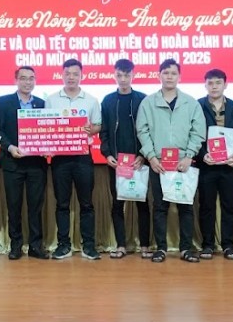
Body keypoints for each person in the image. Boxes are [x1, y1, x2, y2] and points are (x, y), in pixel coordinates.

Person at [136, 58, 205, 263]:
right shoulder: (148, 103)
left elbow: (198, 132)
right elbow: (142, 131)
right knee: (160, 207)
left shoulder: (190, 103)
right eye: (165, 73)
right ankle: (161, 248)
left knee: (186, 207)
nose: (169, 77)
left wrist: (189, 155)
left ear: (179, 76)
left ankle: (185, 248)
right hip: (159, 164)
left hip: (183, 163)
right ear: (159, 75)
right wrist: (151, 157)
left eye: (173, 73)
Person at [47, 58, 103, 260]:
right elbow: (45, 126)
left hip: (82, 156)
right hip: (60, 158)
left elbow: (98, 125)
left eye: (75, 74)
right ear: (62, 75)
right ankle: (63, 245)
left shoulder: (91, 100)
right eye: (68, 73)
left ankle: (88, 246)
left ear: (81, 76)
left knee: (86, 203)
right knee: (62, 203)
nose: (71, 77)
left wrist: (91, 129)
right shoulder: (51, 100)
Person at [195, 69, 233, 260]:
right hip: (206, 166)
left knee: (229, 207)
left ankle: (228, 245)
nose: (214, 86)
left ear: (225, 85)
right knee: (206, 207)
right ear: (205, 85)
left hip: (228, 167)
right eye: (210, 83)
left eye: (218, 83)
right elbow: (192, 135)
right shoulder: (197, 106)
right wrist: (202, 155)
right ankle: (208, 245)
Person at [99, 59, 149, 258]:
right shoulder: (108, 100)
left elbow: (149, 130)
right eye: (119, 75)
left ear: (133, 75)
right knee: (118, 203)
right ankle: (121, 245)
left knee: (142, 203)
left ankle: (144, 245)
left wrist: (143, 155)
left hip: (139, 161)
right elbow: (103, 131)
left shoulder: (143, 99)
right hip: (117, 162)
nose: (123, 79)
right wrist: (107, 154)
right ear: (114, 75)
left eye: (127, 75)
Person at [0, 66, 48, 260]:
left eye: (31, 78)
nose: (28, 82)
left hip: (36, 164)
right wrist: (10, 147)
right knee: (14, 206)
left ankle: (35, 246)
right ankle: (16, 246)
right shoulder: (4, 102)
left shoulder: (42, 104)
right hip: (13, 162)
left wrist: (49, 146)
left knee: (36, 207)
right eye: (24, 78)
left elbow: (48, 130)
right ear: (16, 80)